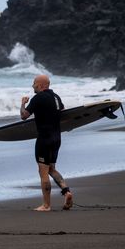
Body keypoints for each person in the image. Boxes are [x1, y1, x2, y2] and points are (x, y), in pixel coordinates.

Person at [20, 73, 73, 212]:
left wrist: (23, 103)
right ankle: (66, 192)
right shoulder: (56, 97)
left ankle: (46, 205)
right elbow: (64, 113)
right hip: (57, 138)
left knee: (43, 172)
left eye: (34, 83)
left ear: (42, 85)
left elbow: (24, 116)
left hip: (44, 139)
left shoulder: (38, 98)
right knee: (51, 169)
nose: (33, 86)